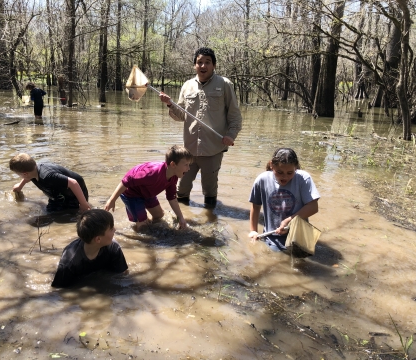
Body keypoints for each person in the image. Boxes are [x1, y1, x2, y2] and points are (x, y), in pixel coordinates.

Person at [159, 47, 242, 208]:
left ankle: (210, 220)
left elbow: (235, 115)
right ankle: (182, 219)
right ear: (194, 65)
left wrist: (231, 135)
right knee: (182, 187)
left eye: (207, 62)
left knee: (209, 189)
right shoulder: (187, 86)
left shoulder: (225, 84)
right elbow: (180, 116)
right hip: (189, 149)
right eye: (199, 62)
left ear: (214, 65)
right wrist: (169, 104)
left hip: (213, 149)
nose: (203, 66)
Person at [105, 145, 193, 231]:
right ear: (173, 164)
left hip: (147, 192)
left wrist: (180, 218)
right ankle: (139, 229)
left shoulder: (174, 176)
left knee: (159, 216)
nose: (189, 168)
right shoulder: (151, 174)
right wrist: (112, 200)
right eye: (186, 164)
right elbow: (126, 181)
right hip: (132, 194)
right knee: (143, 226)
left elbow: (172, 198)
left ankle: (153, 229)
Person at [248, 148, 320, 252]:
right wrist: (253, 231)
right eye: (280, 172)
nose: (284, 177)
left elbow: (313, 207)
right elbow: (255, 206)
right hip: (272, 238)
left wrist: (289, 220)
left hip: (299, 238)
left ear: (296, 168)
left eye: (290, 172)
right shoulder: (262, 180)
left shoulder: (303, 178)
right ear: (271, 165)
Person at [51, 209, 128, 288]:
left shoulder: (113, 248)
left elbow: (123, 275)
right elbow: (59, 290)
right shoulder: (69, 262)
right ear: (98, 239)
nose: (115, 229)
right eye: (111, 229)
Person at [9, 153, 90, 213]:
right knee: (50, 211)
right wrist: (20, 186)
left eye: (19, 174)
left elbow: (73, 183)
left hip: (74, 192)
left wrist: (83, 204)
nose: (20, 177)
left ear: (25, 174)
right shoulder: (33, 171)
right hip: (60, 191)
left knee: (64, 215)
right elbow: (27, 178)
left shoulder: (47, 176)